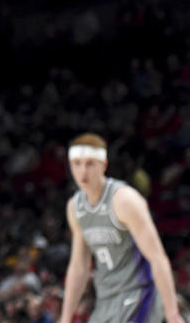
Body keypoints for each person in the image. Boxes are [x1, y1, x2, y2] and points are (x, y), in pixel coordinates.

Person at [57, 133, 184, 323]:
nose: (83, 171)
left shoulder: (124, 200)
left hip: (140, 294)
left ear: (104, 165)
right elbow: (79, 267)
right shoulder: (75, 207)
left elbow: (158, 258)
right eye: (77, 163)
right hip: (106, 300)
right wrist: (65, 318)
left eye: (90, 163)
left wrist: (172, 313)